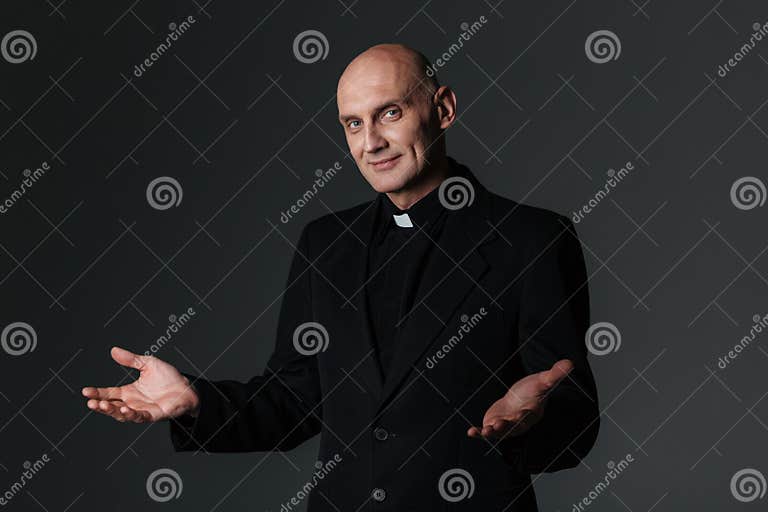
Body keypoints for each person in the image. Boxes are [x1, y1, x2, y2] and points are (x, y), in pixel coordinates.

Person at [82, 43, 600, 511]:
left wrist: (533, 421)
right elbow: (294, 400)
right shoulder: (325, 244)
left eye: (389, 113)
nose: (371, 142)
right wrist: (196, 401)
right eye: (353, 124)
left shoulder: (532, 238)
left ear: (443, 109)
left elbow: (575, 422)